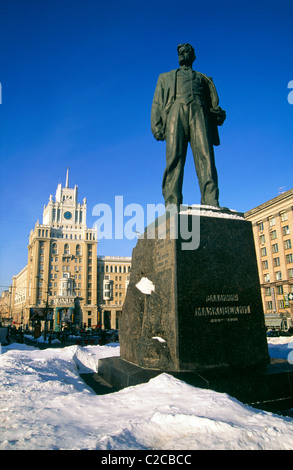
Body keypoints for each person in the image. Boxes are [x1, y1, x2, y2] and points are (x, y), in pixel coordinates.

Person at [151, 43, 226, 208]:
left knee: (205, 157)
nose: (183, 53)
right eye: (180, 52)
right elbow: (157, 103)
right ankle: (172, 203)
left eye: (187, 51)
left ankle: (211, 201)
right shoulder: (165, 78)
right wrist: (156, 126)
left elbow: (214, 107)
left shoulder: (205, 79)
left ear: (193, 56)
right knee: (174, 159)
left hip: (200, 113)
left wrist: (219, 115)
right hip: (174, 113)